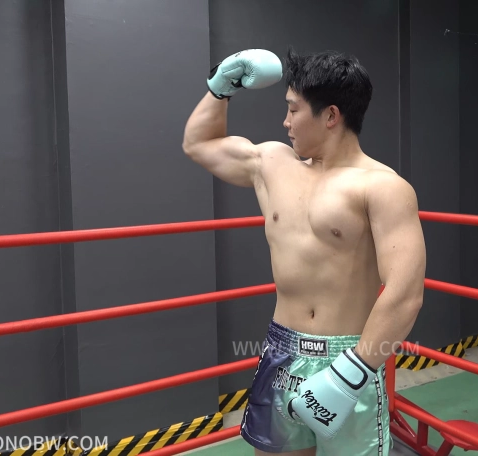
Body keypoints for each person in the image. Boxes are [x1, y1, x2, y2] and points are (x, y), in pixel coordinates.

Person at [182, 48, 426, 456]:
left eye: (293, 109)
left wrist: (353, 371)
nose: (286, 121)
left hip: (351, 356)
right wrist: (220, 87)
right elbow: (199, 143)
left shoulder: (383, 187)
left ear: (330, 116)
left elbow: (405, 294)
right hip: (282, 352)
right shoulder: (271, 163)